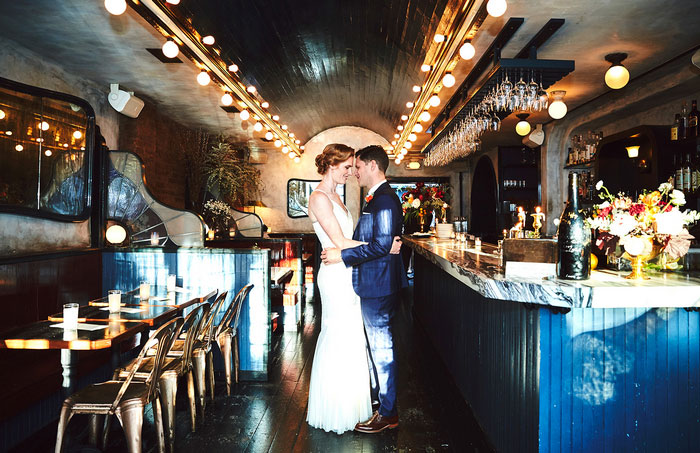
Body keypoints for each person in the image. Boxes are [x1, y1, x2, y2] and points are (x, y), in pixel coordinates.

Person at [306, 143, 401, 435]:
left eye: (354, 167)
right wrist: (385, 247)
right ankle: (336, 407)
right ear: (331, 166)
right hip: (335, 273)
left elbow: (352, 238)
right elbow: (338, 242)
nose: (351, 172)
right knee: (337, 334)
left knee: (352, 336)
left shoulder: (339, 196)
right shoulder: (320, 198)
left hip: (348, 271)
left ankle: (357, 404)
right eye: (347, 167)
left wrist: (382, 245)